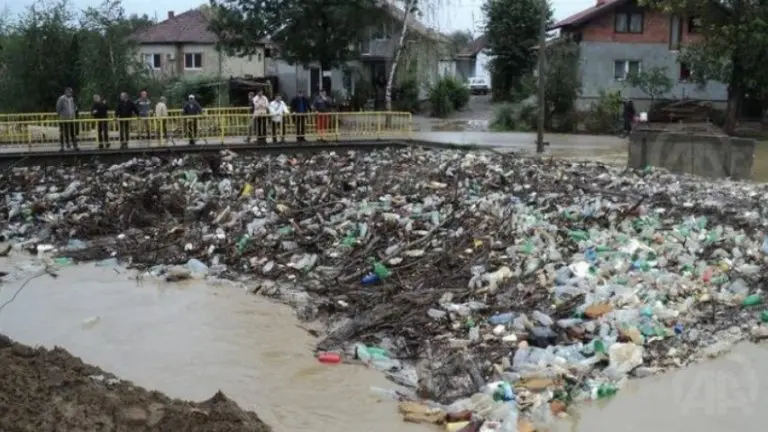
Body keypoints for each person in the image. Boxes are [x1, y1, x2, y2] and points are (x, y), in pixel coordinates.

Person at [55, 87, 78, 151]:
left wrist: (74, 113)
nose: (70, 93)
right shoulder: (61, 99)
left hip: (71, 118)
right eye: (69, 92)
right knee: (63, 132)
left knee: (72, 132)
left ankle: (74, 145)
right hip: (63, 119)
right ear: (66, 92)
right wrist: (61, 115)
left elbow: (74, 107)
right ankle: (62, 146)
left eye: (71, 92)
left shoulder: (72, 99)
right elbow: (58, 108)